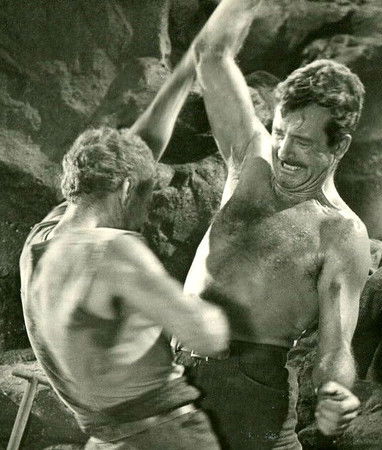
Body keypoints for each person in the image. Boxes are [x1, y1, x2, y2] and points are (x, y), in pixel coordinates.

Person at [18, 43, 231, 449]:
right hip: (164, 437)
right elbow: (206, 337)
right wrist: (207, 310)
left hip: (107, 437)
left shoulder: (40, 243)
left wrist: (187, 69)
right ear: (128, 188)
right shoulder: (111, 250)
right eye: (146, 197)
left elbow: (135, 149)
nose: (145, 214)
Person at [178, 0, 371, 447]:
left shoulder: (341, 232)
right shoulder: (251, 157)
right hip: (177, 377)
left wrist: (336, 392)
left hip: (250, 398)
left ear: (339, 146)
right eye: (280, 131)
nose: (283, 151)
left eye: (302, 141)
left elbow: (336, 345)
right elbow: (211, 55)